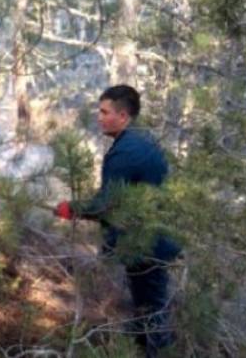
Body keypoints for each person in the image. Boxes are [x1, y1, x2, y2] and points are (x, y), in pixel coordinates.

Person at [53, 85, 181, 357]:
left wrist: (70, 208)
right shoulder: (138, 141)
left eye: (104, 112)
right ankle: (140, 350)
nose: (99, 117)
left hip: (145, 244)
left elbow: (107, 203)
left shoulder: (126, 153)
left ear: (122, 116)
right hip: (148, 239)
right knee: (145, 305)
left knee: (151, 309)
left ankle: (157, 352)